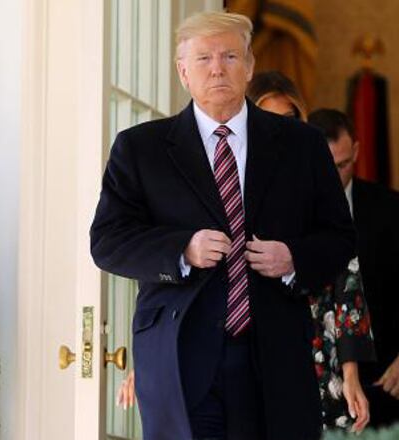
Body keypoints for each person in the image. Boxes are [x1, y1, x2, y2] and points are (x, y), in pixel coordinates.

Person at [90, 12, 355, 440]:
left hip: (274, 355)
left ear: (249, 66)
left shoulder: (301, 144)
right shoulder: (140, 148)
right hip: (179, 355)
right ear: (183, 72)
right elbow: (107, 242)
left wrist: (293, 258)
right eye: (204, 58)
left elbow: (341, 237)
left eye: (230, 56)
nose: (217, 68)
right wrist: (182, 249)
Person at [247, 71, 375, 432]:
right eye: (267, 117)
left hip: (317, 346)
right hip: (248, 346)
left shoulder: (316, 179)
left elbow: (346, 273)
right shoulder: (230, 178)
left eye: (288, 118)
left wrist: (351, 374)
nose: (278, 127)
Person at [308, 109, 399, 428]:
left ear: (356, 151)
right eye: (323, 166)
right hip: (303, 391)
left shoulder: (392, 211)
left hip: (376, 390)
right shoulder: (284, 211)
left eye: (342, 165)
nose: (332, 177)